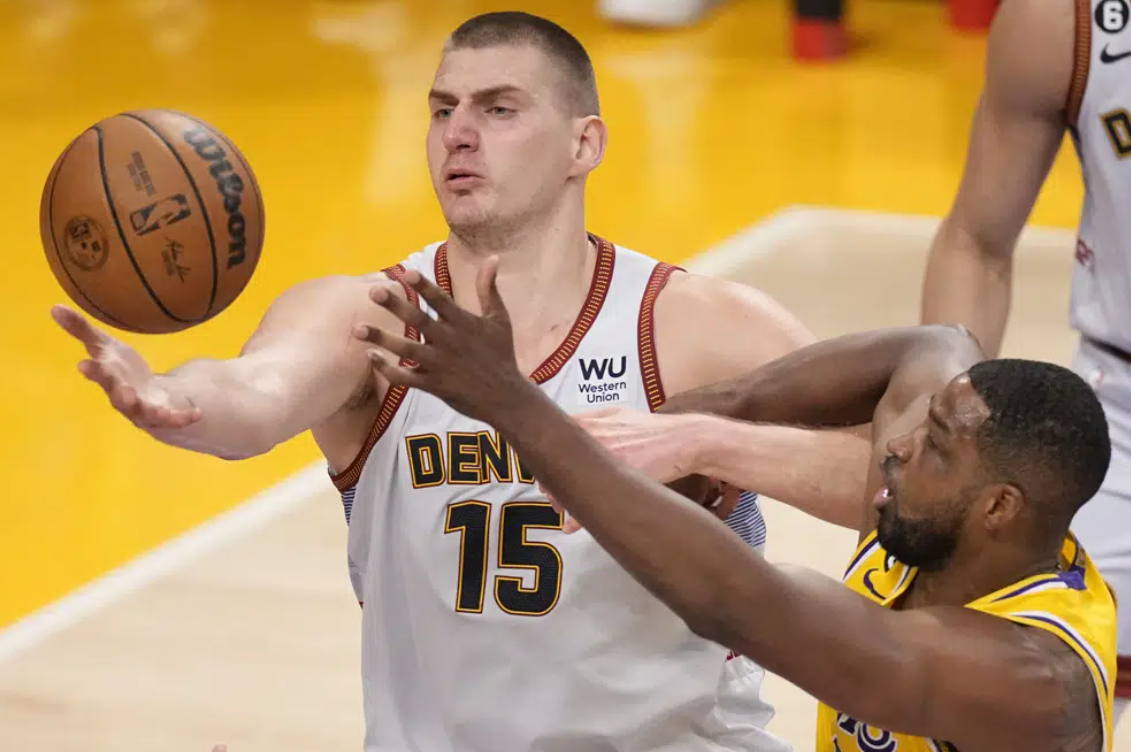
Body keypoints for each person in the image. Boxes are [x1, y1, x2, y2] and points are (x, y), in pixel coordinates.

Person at [53, 11, 874, 751]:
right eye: (443, 110)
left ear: (583, 144)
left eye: (499, 108)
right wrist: (175, 399)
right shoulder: (368, 315)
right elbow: (255, 393)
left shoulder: (692, 327)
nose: (459, 134)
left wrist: (708, 440)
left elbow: (897, 493)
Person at [360, 271, 1116, 752]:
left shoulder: (1032, 680)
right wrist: (700, 419)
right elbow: (934, 342)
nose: (896, 445)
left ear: (998, 509)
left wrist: (516, 407)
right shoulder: (937, 516)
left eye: (936, 446)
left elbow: (739, 603)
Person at [918, 0, 1131, 716]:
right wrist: (942, 417)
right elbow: (976, 242)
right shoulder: (1062, 20)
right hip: (1117, 415)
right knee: (1014, 697)